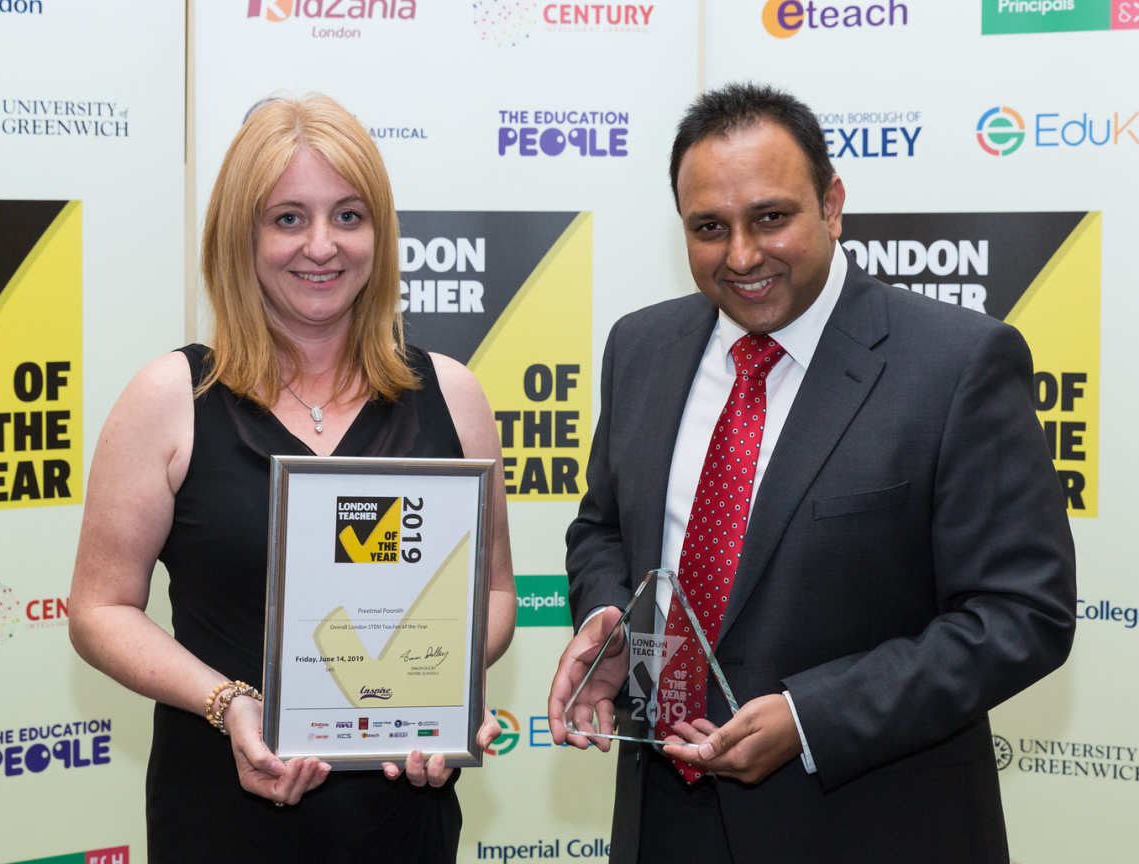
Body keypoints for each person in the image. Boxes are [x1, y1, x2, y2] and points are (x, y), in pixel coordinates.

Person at [547, 82, 1076, 864]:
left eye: (771, 217)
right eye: (709, 227)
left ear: (831, 205)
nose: (742, 256)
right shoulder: (640, 348)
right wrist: (612, 620)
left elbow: (1022, 614)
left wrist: (810, 718)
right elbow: (601, 528)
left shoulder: (957, 363)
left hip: (867, 824)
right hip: (663, 818)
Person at [69, 94, 515, 863]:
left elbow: (497, 594)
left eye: (349, 216)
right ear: (240, 236)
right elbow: (98, 608)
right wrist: (227, 702)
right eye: (288, 218)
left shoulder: (452, 394)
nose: (322, 245)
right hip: (221, 813)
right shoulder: (172, 397)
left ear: (380, 232)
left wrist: (443, 694)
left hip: (402, 819)